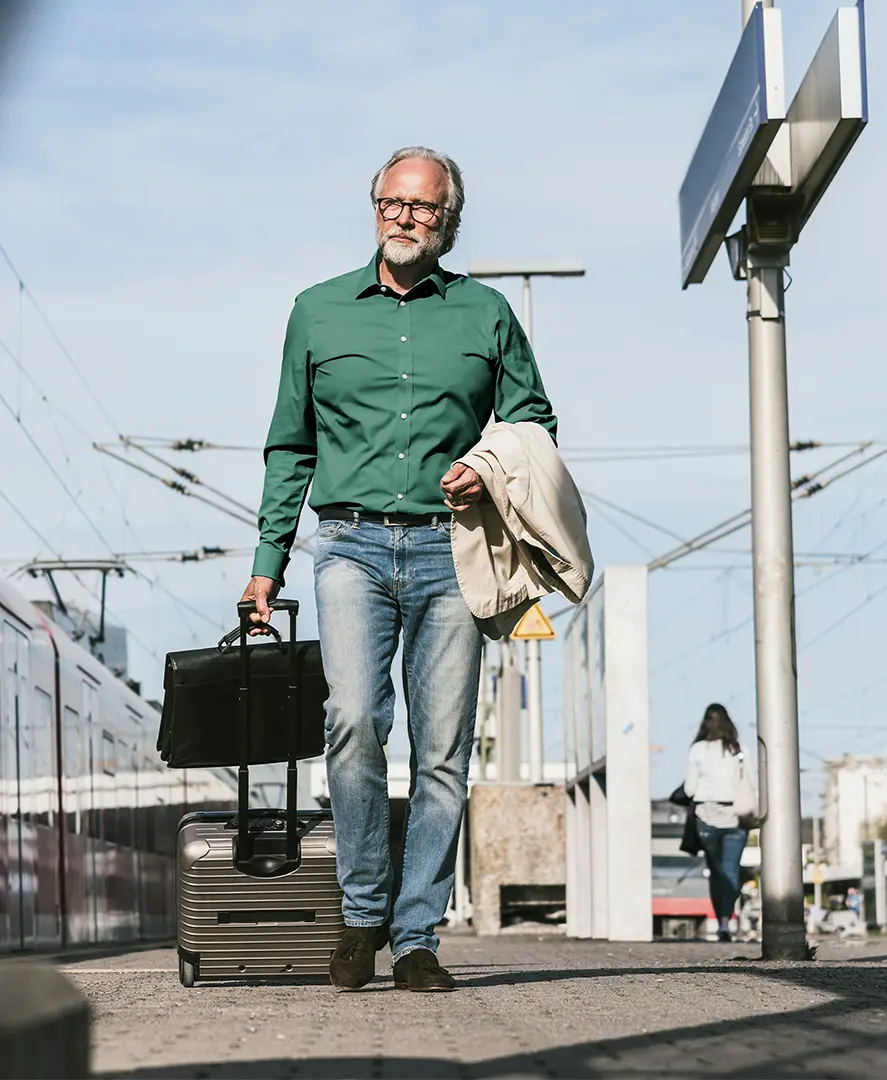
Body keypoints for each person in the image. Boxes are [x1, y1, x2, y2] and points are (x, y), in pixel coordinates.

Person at [239, 146, 557, 992]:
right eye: (391, 202)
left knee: (444, 749)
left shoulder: (486, 313)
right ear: (375, 207)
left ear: (448, 221)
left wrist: (487, 464)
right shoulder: (316, 311)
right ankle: (360, 913)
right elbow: (289, 444)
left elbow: (533, 415)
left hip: (454, 551)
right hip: (347, 545)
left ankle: (417, 938)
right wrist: (267, 564)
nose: (403, 217)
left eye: (421, 207)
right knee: (352, 723)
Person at [683, 703, 754, 943]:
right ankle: (727, 921)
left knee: (716, 872)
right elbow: (751, 782)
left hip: (706, 817)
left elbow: (689, 788)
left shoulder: (698, 750)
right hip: (735, 817)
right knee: (731, 870)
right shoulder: (739, 750)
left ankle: (722, 922)